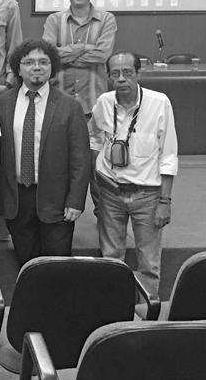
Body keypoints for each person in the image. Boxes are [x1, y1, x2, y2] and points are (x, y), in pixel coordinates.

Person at [0, 39, 91, 265]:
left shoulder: (69, 106)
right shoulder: (2, 104)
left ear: (52, 67)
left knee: (57, 267)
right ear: (18, 69)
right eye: (29, 62)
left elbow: (81, 159)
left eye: (43, 62)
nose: (36, 67)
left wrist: (75, 200)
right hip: (17, 198)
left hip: (57, 199)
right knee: (26, 265)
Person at [89, 52, 178, 296]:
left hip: (147, 195)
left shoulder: (159, 103)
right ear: (108, 77)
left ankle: (146, 312)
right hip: (110, 192)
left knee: (149, 262)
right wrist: (96, 172)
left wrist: (165, 201)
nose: (121, 79)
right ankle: (115, 308)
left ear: (139, 74)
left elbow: (168, 155)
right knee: (111, 259)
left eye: (127, 73)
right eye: (115, 74)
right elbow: (94, 136)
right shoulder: (104, 102)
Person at [42, 0, 117, 116]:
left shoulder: (106, 20)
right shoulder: (54, 20)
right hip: (58, 102)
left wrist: (64, 56)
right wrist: (84, 48)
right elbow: (49, 56)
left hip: (94, 105)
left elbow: (101, 56)